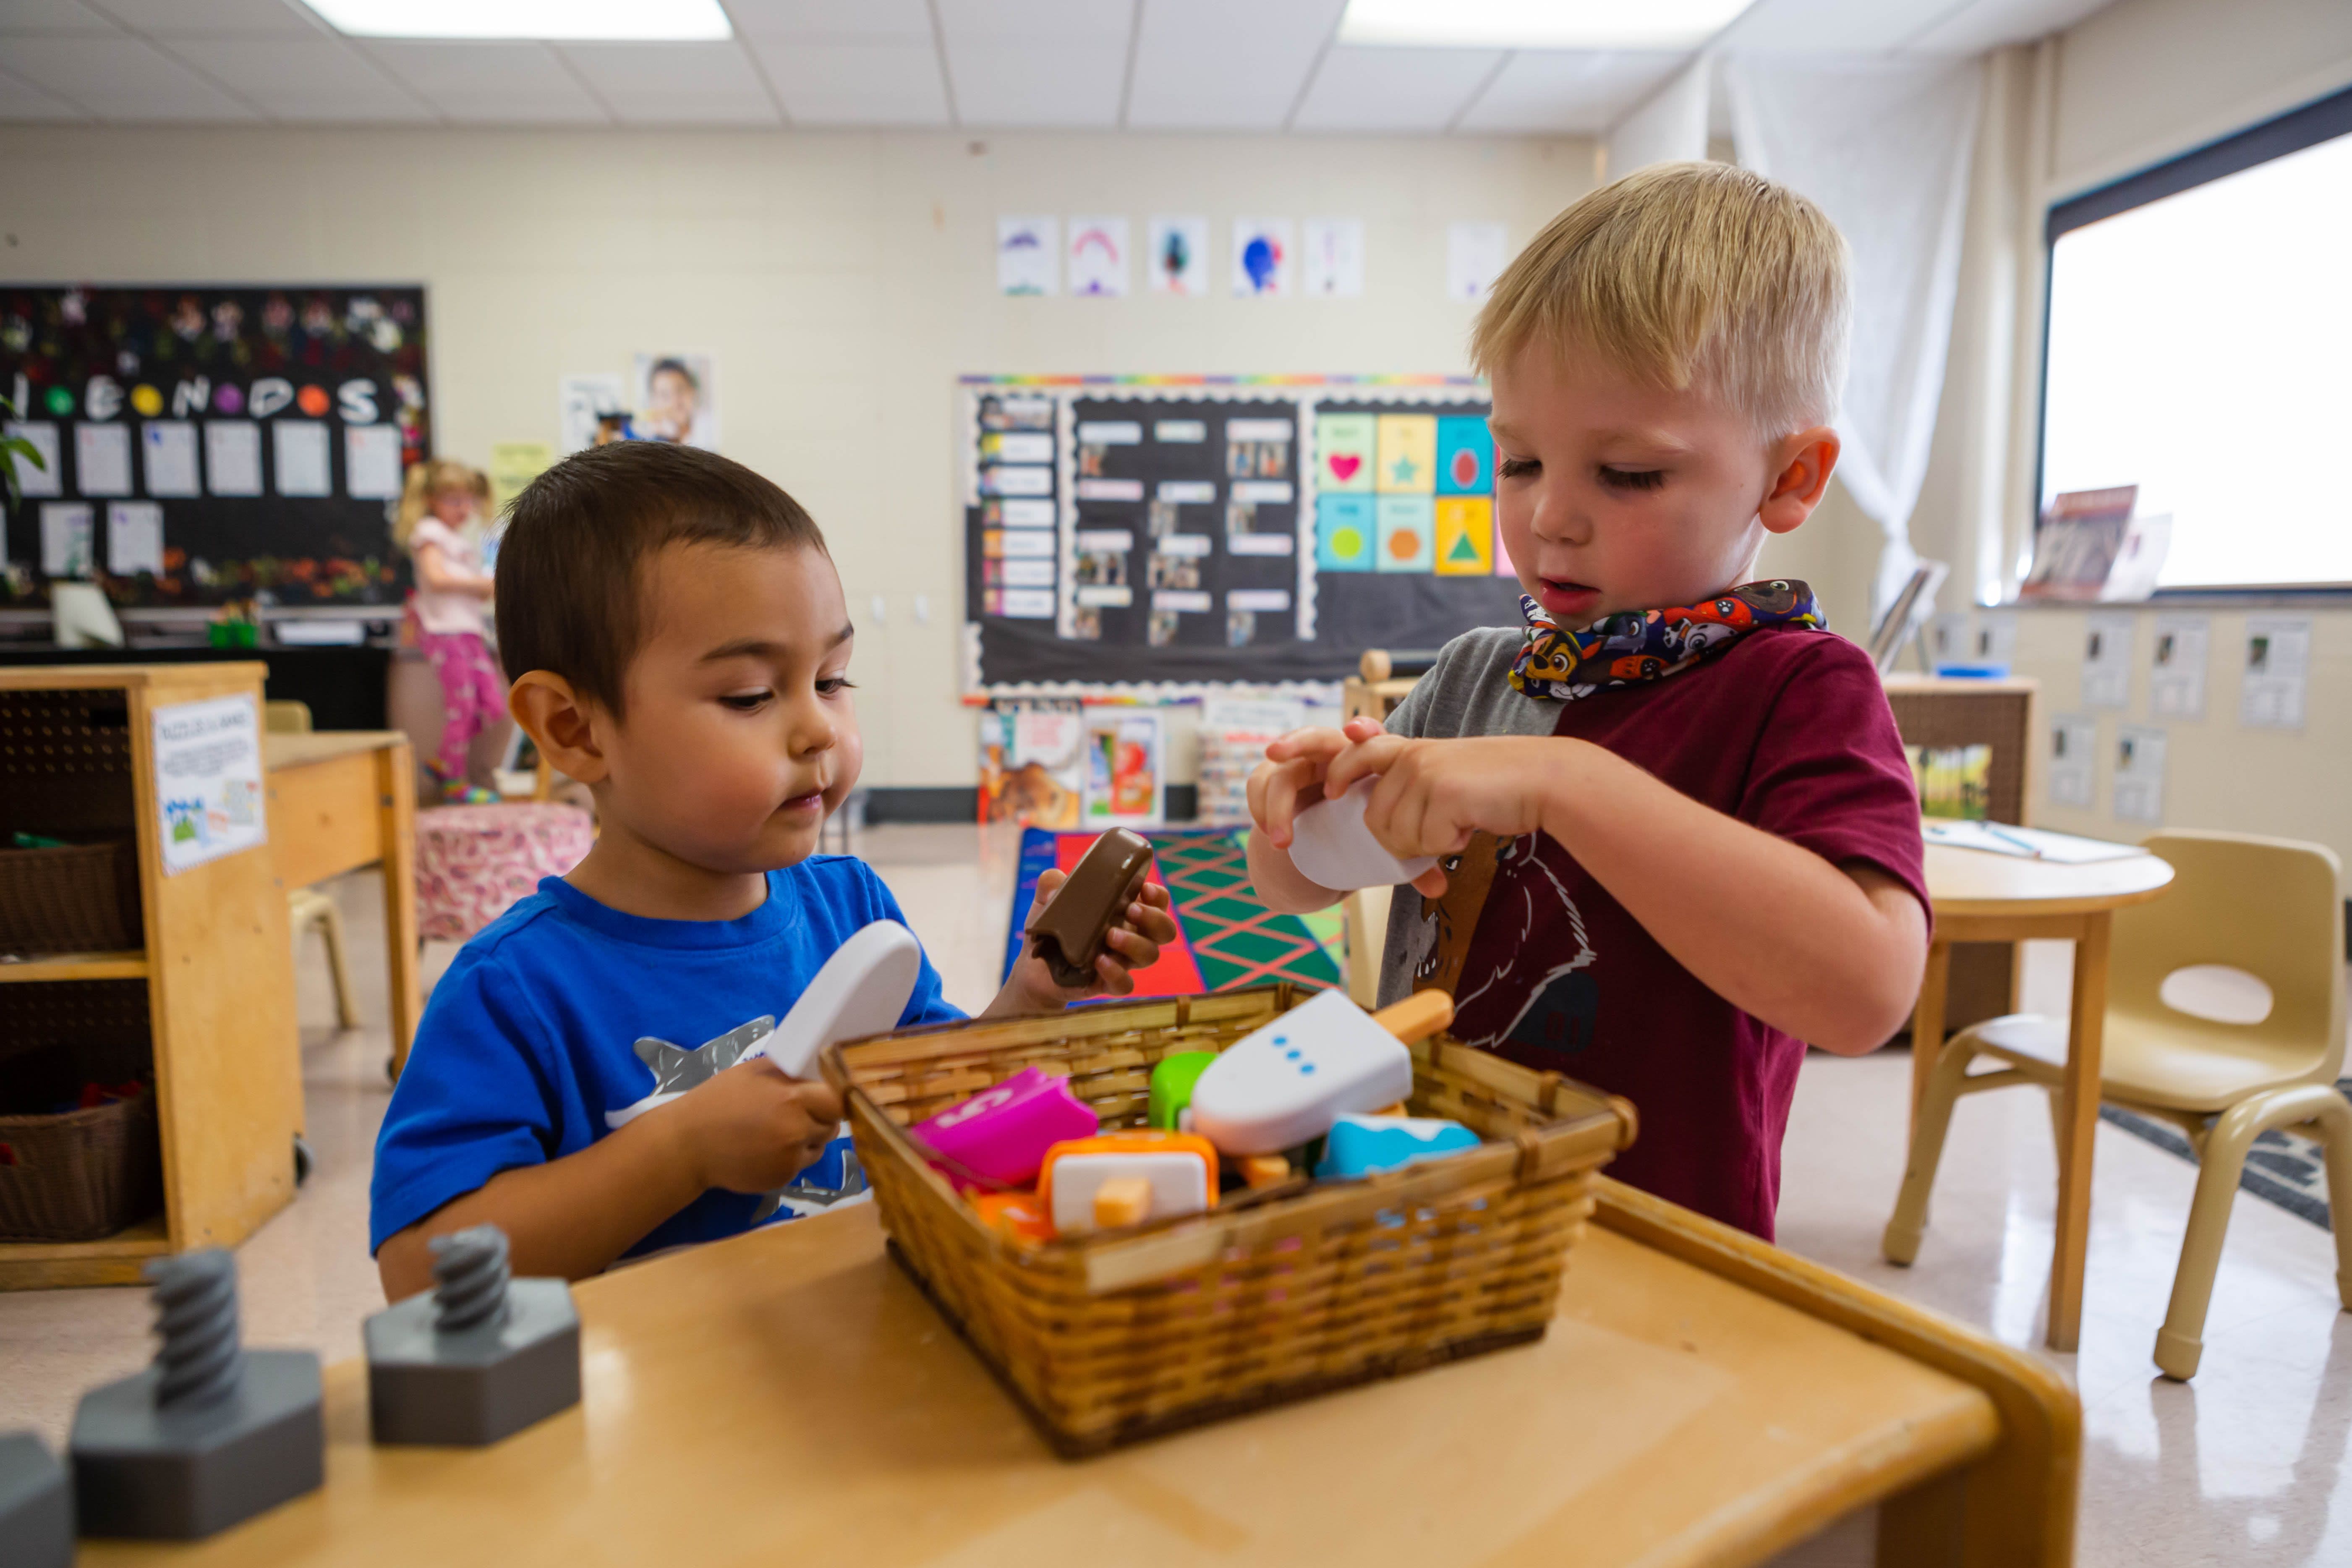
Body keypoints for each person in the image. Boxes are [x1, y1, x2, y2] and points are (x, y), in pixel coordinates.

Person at [1247, 162, 1931, 1241]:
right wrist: (1299, 808)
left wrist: (1564, 781)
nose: (1549, 517)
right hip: (1423, 1189)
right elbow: (1291, 886)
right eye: (1517, 459)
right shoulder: (1480, 671)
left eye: (1627, 474)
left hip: (1647, 1237)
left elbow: (1866, 991)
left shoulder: (1799, 686)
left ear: (1788, 477)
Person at [371, 442, 1177, 1298]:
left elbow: (933, 1112)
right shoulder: (517, 988)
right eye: (752, 694)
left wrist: (1032, 999)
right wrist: (679, 1151)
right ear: (573, 727)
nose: (818, 730)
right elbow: (421, 1270)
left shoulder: (854, 908)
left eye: (832, 678)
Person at [394, 458, 501, 804]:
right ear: (432, 500)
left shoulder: (458, 541)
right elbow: (437, 579)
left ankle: (445, 762)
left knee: (492, 704)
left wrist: (484, 587)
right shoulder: (429, 533)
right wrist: (481, 584)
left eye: (468, 500)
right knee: (463, 706)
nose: (464, 509)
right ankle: (454, 778)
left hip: (469, 632)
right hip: (444, 632)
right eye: (454, 500)